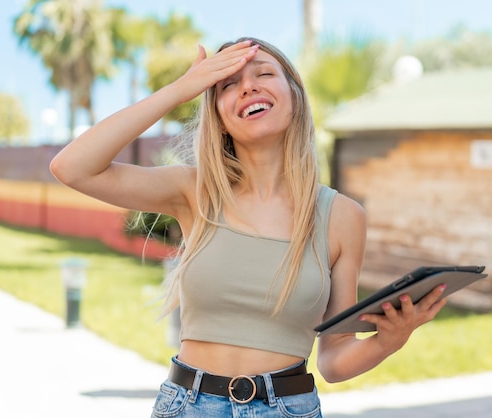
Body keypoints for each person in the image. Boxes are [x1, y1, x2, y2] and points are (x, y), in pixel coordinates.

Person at [50, 37, 447, 417]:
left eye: (263, 74)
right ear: (219, 118)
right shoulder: (194, 191)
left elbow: (333, 361)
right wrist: (182, 89)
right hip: (189, 407)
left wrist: (388, 341)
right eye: (227, 84)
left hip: (288, 409)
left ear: (294, 95)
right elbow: (72, 167)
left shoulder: (341, 217)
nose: (247, 87)